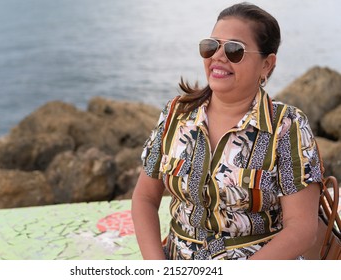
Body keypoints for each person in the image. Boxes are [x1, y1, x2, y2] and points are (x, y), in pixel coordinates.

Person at [131, 2, 324, 260]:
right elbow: (144, 197)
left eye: (235, 50)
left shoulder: (287, 126)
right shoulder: (175, 114)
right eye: (211, 46)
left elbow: (302, 229)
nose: (218, 57)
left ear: (266, 65)